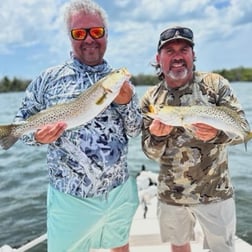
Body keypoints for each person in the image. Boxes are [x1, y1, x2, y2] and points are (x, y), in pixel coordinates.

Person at [14, 0, 142, 251]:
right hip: (70, 199)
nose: (89, 39)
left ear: (105, 34)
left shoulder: (121, 83)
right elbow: (20, 122)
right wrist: (37, 138)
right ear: (69, 36)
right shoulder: (48, 79)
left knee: (120, 246)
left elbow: (136, 130)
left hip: (118, 193)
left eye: (96, 31)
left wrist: (126, 103)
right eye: (79, 33)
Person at [141, 25, 250, 252]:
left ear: (193, 55)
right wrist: (158, 137)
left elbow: (242, 129)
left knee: (223, 248)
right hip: (171, 195)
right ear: (158, 58)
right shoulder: (151, 98)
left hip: (215, 192)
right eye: (169, 51)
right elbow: (150, 153)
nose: (178, 56)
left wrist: (217, 135)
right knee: (179, 246)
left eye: (184, 49)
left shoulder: (215, 85)